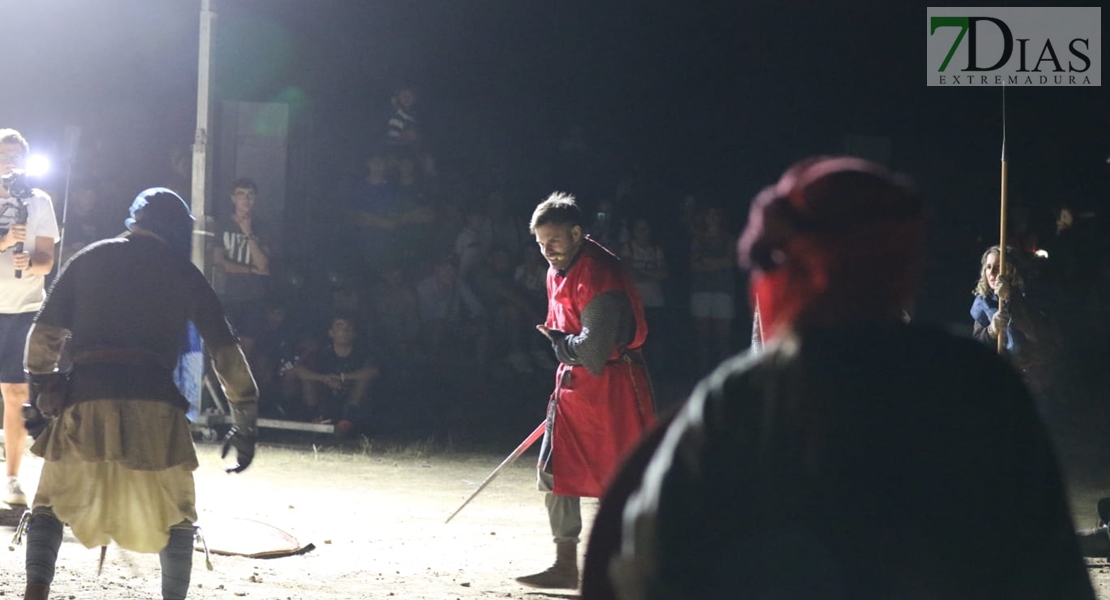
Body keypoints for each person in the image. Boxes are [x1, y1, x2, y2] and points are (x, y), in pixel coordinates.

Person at [587, 157, 1093, 600]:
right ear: (907, 266)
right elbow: (1050, 574)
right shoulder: (979, 386)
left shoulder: (741, 400)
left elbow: (643, 573)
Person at [20, 187, 259, 600]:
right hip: (156, 408)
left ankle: (35, 594)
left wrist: (42, 392)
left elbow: (42, 339)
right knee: (177, 514)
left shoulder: (89, 258)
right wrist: (245, 422)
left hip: (85, 401)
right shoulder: (182, 271)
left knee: (50, 504)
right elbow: (226, 352)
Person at [516, 192, 656, 590]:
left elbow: (595, 349)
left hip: (613, 389)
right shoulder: (555, 270)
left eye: (555, 241)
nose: (548, 251)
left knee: (620, 480)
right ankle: (565, 564)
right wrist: (565, 347)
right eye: (541, 244)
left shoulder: (598, 271)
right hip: (576, 390)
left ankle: (630, 569)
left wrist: (562, 345)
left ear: (577, 232)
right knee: (554, 472)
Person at [0, 128, 60, 507]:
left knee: (16, 393)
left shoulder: (39, 201)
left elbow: (47, 261)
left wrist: (31, 263)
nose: (10, 162)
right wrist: (4, 242)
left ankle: (12, 477)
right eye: (4, 155)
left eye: (16, 156)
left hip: (22, 309)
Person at [211, 177, 274, 357]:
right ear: (233, 198)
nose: (246, 199)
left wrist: (248, 233)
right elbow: (219, 261)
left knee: (247, 353)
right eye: (241, 195)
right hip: (227, 296)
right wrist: (251, 270)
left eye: (250, 195)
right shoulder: (222, 225)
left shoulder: (262, 227)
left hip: (254, 297)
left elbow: (263, 263)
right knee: (225, 350)